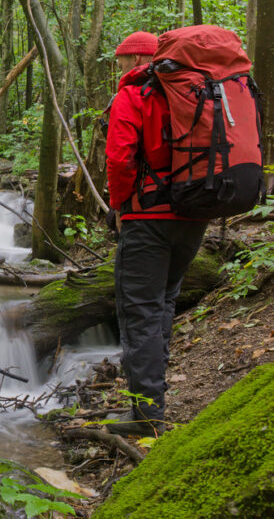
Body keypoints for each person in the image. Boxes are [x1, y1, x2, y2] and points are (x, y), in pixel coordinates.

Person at [104, 31, 208, 437]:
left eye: (120, 60)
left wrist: (119, 204)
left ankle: (146, 414)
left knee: (139, 310)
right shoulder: (198, 91)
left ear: (136, 58)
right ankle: (154, 395)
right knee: (164, 301)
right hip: (194, 214)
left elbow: (119, 157)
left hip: (148, 218)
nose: (119, 68)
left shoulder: (135, 94)